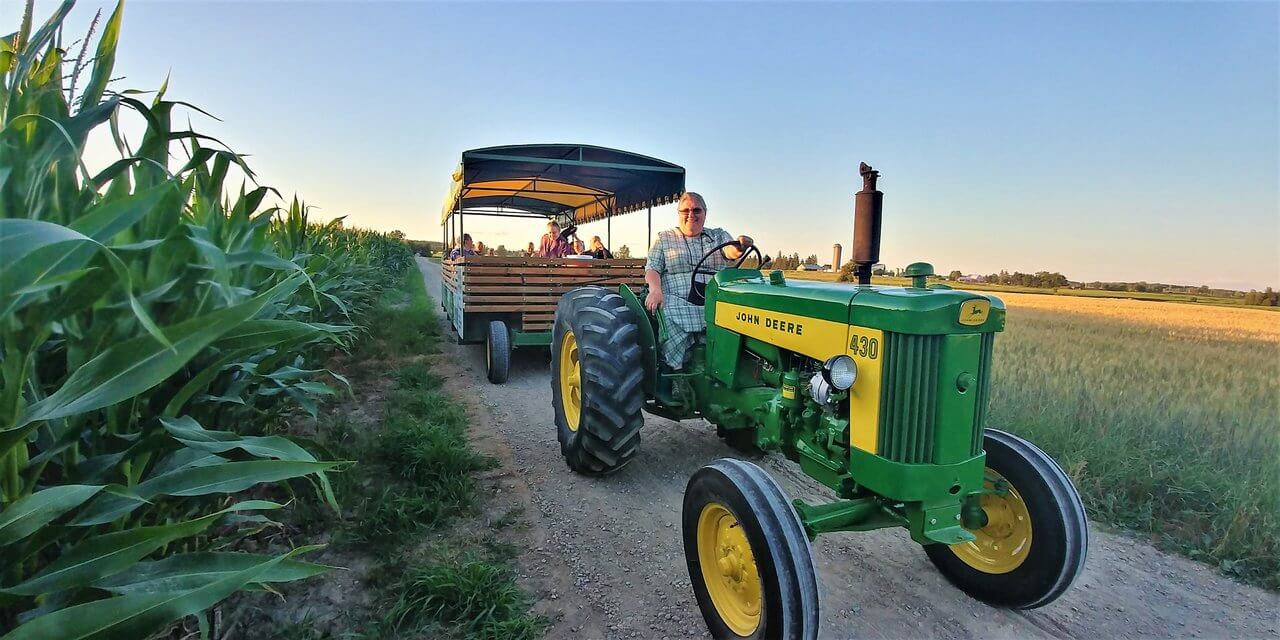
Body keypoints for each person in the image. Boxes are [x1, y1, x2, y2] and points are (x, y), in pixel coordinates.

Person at [645, 191, 753, 370]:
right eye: (685, 210)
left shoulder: (718, 236)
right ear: (678, 213)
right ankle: (675, 372)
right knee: (671, 315)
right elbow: (653, 268)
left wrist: (740, 247)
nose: (691, 215)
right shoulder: (664, 238)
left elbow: (730, 252)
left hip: (715, 299)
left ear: (705, 213)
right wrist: (655, 291)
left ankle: (724, 369)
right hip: (677, 298)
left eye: (697, 210)